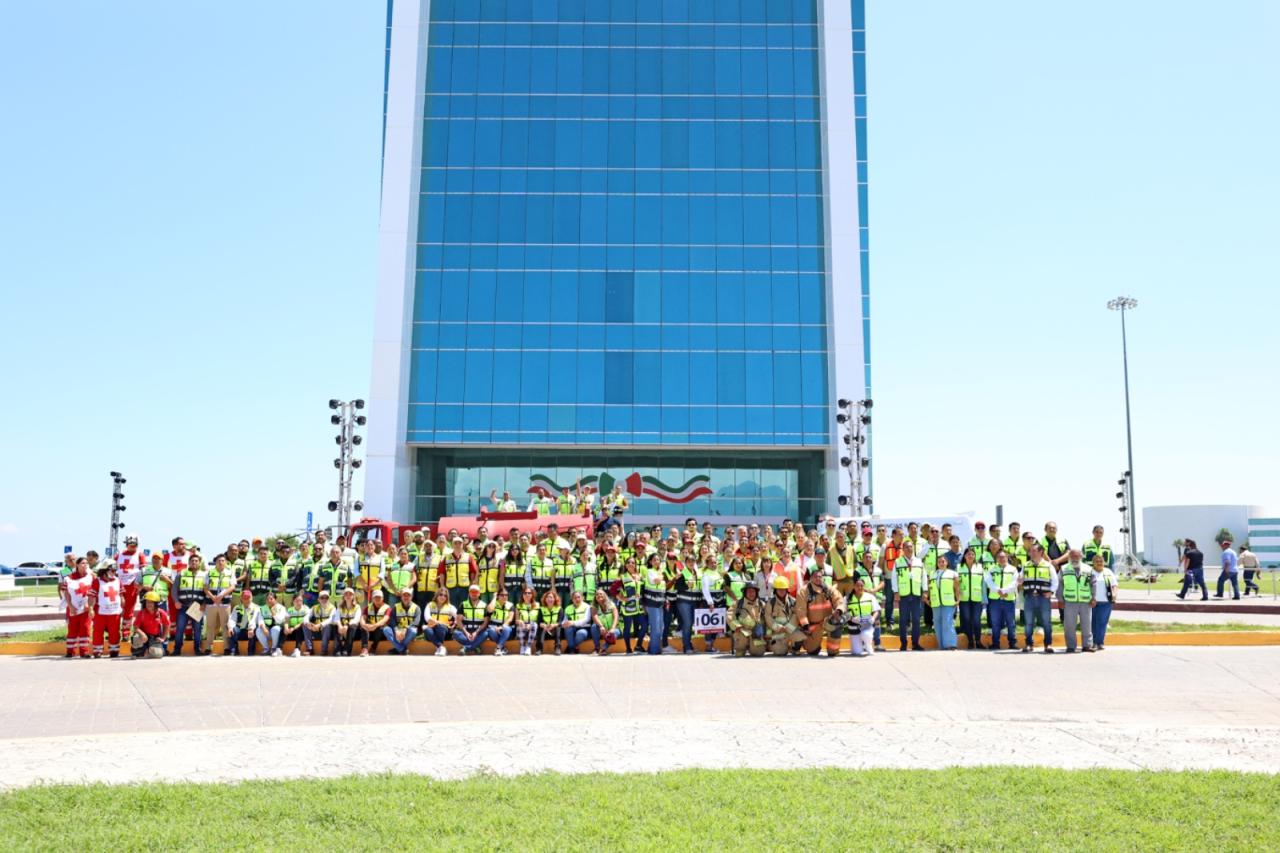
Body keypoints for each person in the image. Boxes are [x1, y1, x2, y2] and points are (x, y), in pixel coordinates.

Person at [794, 570, 847, 657]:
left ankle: (833, 650)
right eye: (815, 576)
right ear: (811, 578)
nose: (818, 578)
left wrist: (839, 610)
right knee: (812, 651)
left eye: (820, 576)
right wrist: (805, 625)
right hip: (813, 625)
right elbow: (800, 610)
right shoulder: (803, 591)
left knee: (837, 622)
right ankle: (807, 644)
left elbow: (839, 600)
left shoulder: (828, 589)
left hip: (828, 621)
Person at [1020, 543, 1057, 654]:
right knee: (1028, 623)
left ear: (1041, 552)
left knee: (1046, 622)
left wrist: (1051, 592)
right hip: (1029, 598)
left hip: (1044, 598)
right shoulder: (1025, 565)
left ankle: (1048, 644)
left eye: (1034, 551)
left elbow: (1055, 581)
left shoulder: (1048, 566)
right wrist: (1019, 581)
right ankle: (1029, 644)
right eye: (1030, 551)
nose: (1031, 553)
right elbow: (1020, 579)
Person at [891, 540, 926, 652]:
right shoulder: (898, 562)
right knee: (903, 620)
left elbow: (923, 577)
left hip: (916, 594)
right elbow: (894, 578)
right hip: (903, 595)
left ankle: (915, 643)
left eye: (910, 547)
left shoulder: (919, 561)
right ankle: (903, 644)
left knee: (916, 619)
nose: (909, 549)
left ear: (913, 548)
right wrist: (896, 592)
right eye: (906, 547)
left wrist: (925, 591)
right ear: (903, 549)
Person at [1058, 549, 1095, 653]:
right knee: (1069, 626)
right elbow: (1060, 585)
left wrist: (1093, 597)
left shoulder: (1088, 569)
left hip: (1085, 601)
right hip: (1069, 601)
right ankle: (1071, 646)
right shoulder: (1064, 569)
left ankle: (1087, 645)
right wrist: (1060, 599)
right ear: (1069, 557)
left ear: (1081, 557)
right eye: (1072, 556)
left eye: (1077, 556)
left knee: (1087, 625)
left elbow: (1093, 584)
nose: (1075, 558)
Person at [202, 553, 238, 654]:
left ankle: (227, 647)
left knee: (225, 626)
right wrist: (213, 598)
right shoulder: (209, 573)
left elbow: (232, 587)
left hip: (225, 603)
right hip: (211, 603)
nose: (221, 562)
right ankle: (208, 647)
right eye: (219, 561)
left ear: (226, 562)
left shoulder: (230, 573)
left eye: (223, 561)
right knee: (210, 626)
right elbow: (205, 588)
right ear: (216, 562)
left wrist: (221, 596)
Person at [172, 554, 207, 656]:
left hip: (197, 606)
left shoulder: (204, 575)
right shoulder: (181, 574)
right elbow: (174, 589)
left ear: (199, 563)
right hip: (183, 605)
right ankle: (177, 649)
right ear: (189, 562)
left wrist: (204, 603)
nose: (194, 562)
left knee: (197, 629)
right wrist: (176, 601)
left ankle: (197, 649)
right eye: (192, 561)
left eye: (196, 561)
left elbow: (207, 591)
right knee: (180, 629)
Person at [60, 557, 95, 659]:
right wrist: (70, 606)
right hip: (73, 607)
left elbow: (95, 590)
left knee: (85, 628)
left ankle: (84, 651)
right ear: (77, 565)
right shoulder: (66, 574)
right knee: (72, 629)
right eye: (83, 563)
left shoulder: (91, 575)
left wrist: (89, 605)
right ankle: (70, 651)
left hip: (86, 607)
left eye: (86, 563)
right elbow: (64, 591)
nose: (85, 565)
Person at [985, 551, 1018, 651]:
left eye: (1003, 557)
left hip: (1009, 599)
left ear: (1007, 558)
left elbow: (1015, 583)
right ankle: (995, 643)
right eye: (999, 557)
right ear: (996, 559)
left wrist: (1005, 591)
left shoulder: (1013, 569)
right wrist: (998, 591)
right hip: (995, 600)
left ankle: (1012, 643)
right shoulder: (991, 569)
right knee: (995, 623)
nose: (1001, 559)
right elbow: (989, 582)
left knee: (1011, 623)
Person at [90, 562, 124, 658]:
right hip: (100, 612)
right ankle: (97, 650)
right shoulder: (97, 581)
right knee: (98, 631)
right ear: (104, 571)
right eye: (112, 570)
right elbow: (92, 596)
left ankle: (114, 650)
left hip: (115, 612)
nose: (114, 572)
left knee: (114, 632)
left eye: (115, 570)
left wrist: (123, 608)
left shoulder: (118, 581)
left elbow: (121, 596)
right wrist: (91, 609)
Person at [764, 574, 804, 656]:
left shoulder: (793, 601)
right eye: (779, 589)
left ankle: (794, 649)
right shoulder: (770, 603)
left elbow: (796, 615)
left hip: (789, 630)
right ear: (775, 590)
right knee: (780, 652)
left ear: (787, 590)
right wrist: (777, 627)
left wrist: (788, 627)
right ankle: (781, 646)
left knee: (800, 636)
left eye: (783, 589)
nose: (781, 591)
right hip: (777, 633)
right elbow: (768, 618)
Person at [956, 548, 986, 650]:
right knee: (967, 620)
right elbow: (956, 584)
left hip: (977, 598)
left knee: (976, 620)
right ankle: (970, 641)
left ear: (975, 556)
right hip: (964, 598)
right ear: (964, 556)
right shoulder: (959, 567)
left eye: (972, 554)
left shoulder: (980, 567)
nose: (970, 556)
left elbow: (983, 584)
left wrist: (984, 598)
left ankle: (978, 641)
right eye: (968, 554)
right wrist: (957, 597)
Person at [929, 554, 960, 650]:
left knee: (948, 622)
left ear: (947, 563)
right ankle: (942, 645)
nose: (941, 563)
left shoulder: (953, 573)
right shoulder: (932, 574)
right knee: (937, 624)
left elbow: (957, 588)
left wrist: (958, 599)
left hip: (948, 602)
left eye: (943, 561)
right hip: (936, 602)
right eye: (939, 562)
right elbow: (930, 588)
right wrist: (928, 599)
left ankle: (951, 644)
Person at [727, 584, 767, 657]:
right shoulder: (738, 604)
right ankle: (740, 649)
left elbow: (767, 617)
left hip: (756, 633)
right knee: (740, 653)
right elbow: (730, 615)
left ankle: (752, 646)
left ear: (756, 593)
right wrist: (736, 626)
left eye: (753, 591)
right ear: (745, 593)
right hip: (742, 631)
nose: (751, 593)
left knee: (758, 653)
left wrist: (765, 632)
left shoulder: (761, 604)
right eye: (749, 591)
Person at [618, 557, 647, 654]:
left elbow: (643, 591)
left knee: (644, 625)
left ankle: (638, 645)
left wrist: (644, 604)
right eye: (628, 562)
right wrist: (622, 598)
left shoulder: (640, 576)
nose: (631, 564)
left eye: (633, 562)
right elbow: (613, 590)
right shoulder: (622, 577)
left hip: (639, 607)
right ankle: (628, 648)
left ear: (635, 565)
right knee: (627, 627)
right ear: (626, 565)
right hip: (628, 607)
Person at [846, 576, 880, 657]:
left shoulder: (870, 597)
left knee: (867, 635)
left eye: (861, 586)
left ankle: (868, 646)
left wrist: (873, 618)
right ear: (853, 586)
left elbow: (876, 610)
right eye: (857, 585)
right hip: (854, 627)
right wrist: (851, 618)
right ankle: (858, 646)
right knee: (857, 652)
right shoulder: (847, 598)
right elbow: (843, 613)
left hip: (867, 625)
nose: (860, 587)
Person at [1090, 555, 1118, 649]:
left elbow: (1114, 585)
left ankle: (1100, 642)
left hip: (1106, 602)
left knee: (1102, 623)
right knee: (1093, 623)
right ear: (1093, 563)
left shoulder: (1108, 572)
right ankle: (1093, 642)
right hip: (1092, 602)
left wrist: (1114, 595)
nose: (1099, 563)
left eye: (1101, 561)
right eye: (1097, 561)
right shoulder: (1089, 572)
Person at [641, 557, 667, 657]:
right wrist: (661, 574)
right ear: (650, 562)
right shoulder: (650, 571)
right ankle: (654, 650)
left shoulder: (659, 572)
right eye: (654, 560)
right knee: (655, 627)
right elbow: (656, 581)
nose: (657, 562)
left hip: (660, 603)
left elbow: (662, 587)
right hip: (652, 603)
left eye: (658, 560)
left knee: (660, 627)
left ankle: (652, 647)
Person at [131, 592, 171, 658]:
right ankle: (138, 651)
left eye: (151, 602)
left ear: (156, 604)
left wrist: (163, 638)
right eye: (147, 602)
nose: (149, 604)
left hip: (154, 638)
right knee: (136, 637)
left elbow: (167, 625)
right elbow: (135, 627)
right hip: (143, 637)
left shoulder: (161, 613)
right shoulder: (142, 613)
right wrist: (142, 634)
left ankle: (153, 650)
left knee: (157, 655)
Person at [455, 585, 492, 655]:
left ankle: (465, 648)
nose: (474, 594)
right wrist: (466, 633)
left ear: (479, 593)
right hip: (466, 632)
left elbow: (485, 622)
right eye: (472, 592)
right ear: (469, 593)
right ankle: (475, 646)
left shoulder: (484, 605)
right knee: (456, 633)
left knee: (486, 633)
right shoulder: (463, 604)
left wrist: (476, 633)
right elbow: (459, 620)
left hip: (478, 632)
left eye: (476, 592)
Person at [385, 588, 421, 655]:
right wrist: (396, 630)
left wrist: (406, 629)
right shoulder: (395, 607)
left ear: (411, 597)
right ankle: (401, 649)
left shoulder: (417, 608)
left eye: (408, 595)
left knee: (413, 630)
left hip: (409, 632)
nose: (406, 597)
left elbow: (416, 622)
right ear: (401, 597)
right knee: (386, 629)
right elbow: (392, 621)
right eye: (404, 595)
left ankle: (397, 648)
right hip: (398, 632)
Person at [561, 590, 597, 654]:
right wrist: (564, 624)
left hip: (584, 628)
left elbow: (586, 619)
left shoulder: (587, 607)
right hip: (572, 628)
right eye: (575, 598)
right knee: (567, 628)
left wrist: (573, 623)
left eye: (578, 597)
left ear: (582, 598)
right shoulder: (568, 608)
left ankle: (571, 647)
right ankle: (572, 649)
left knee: (581, 633)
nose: (577, 599)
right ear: (572, 599)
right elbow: (564, 620)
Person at [358, 589, 392, 656]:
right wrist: (364, 625)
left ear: (382, 598)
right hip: (370, 630)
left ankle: (373, 648)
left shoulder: (387, 608)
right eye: (375, 597)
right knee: (363, 627)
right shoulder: (368, 607)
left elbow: (384, 620)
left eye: (379, 597)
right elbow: (362, 618)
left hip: (381, 633)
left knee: (380, 628)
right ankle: (364, 649)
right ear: (372, 598)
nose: (377, 599)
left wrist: (374, 626)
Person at [424, 587, 456, 656]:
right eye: (441, 595)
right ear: (437, 595)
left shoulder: (450, 607)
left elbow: (458, 617)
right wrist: (436, 622)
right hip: (432, 630)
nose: (443, 597)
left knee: (440, 627)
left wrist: (455, 624)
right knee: (427, 629)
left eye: (445, 596)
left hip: (445, 632)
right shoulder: (429, 605)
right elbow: (427, 618)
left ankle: (439, 647)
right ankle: (441, 647)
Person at [304, 589, 336, 656]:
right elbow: (306, 617)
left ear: (329, 599)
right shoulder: (314, 607)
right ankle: (309, 649)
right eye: (322, 598)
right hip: (316, 629)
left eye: (326, 598)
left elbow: (331, 619)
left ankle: (324, 650)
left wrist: (320, 625)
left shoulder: (332, 608)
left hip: (327, 632)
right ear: (318, 599)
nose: (324, 599)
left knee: (327, 626)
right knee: (304, 625)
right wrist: (308, 624)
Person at [256, 591, 288, 656]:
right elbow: (260, 620)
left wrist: (273, 612)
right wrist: (264, 628)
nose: (269, 601)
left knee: (275, 629)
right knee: (258, 630)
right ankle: (266, 648)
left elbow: (279, 621)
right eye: (267, 599)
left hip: (277, 632)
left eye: (271, 599)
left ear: (275, 599)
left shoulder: (281, 608)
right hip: (267, 631)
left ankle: (274, 648)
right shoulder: (262, 608)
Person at [334, 588, 362, 657]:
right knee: (335, 627)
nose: (348, 596)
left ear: (353, 596)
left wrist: (347, 625)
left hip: (354, 632)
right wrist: (340, 626)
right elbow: (336, 618)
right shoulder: (340, 607)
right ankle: (338, 649)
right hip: (343, 630)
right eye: (346, 594)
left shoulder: (357, 607)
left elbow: (357, 619)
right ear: (343, 596)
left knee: (353, 626)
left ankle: (346, 650)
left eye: (350, 594)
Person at [487, 588, 515, 655]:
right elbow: (489, 610)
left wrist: (502, 627)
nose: (504, 597)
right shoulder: (493, 604)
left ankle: (498, 648)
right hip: (494, 628)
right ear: (498, 596)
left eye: (506, 595)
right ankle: (501, 648)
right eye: (502, 595)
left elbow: (510, 619)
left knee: (506, 628)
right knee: (490, 630)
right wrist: (494, 597)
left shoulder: (510, 605)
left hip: (505, 629)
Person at [591, 589, 620, 655]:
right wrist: (601, 626)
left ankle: (604, 648)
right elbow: (594, 616)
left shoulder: (611, 604)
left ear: (605, 595)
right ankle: (597, 648)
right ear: (595, 597)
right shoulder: (594, 606)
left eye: (601, 594)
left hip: (613, 628)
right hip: (602, 629)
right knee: (594, 627)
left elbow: (616, 617)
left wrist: (613, 628)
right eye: (597, 594)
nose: (599, 595)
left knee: (616, 632)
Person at [515, 586, 540, 656]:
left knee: (534, 625)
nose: (527, 595)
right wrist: (520, 621)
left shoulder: (537, 605)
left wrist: (530, 624)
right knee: (520, 625)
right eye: (525, 593)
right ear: (522, 595)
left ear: (532, 595)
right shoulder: (518, 605)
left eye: (529, 593)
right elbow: (516, 620)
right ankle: (522, 646)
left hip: (533, 627)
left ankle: (528, 647)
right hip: (522, 627)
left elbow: (539, 620)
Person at [538, 589, 564, 655]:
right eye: (547, 597)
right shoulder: (541, 609)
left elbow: (560, 622)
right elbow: (539, 621)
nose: (549, 599)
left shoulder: (559, 608)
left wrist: (553, 625)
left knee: (558, 628)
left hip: (555, 631)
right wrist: (543, 625)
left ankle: (557, 648)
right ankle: (539, 649)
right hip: (545, 631)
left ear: (555, 599)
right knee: (541, 629)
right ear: (545, 599)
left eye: (551, 597)